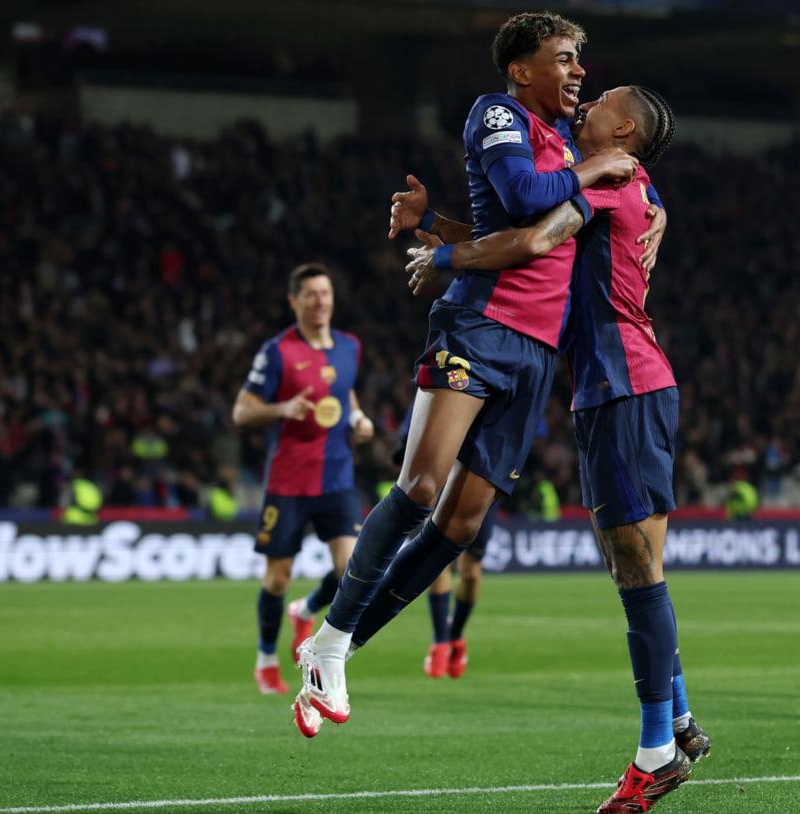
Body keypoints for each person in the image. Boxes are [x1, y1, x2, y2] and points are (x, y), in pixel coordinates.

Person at [290, 11, 642, 737]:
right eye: (565, 58)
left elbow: (517, 236)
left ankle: (333, 646)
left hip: (537, 353)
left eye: (579, 60)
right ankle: (329, 644)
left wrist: (436, 227)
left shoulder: (567, 142)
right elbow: (523, 198)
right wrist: (593, 170)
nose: (579, 71)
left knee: (460, 523)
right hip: (478, 327)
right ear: (521, 69)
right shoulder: (498, 114)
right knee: (421, 487)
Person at [403, 85, 707, 814]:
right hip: (616, 387)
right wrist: (434, 223)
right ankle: (678, 720)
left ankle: (656, 753)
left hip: (624, 385)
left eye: (602, 101)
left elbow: (532, 241)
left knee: (637, 566)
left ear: (623, 129)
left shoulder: (605, 183)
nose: (587, 100)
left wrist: (442, 252)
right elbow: (527, 240)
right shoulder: (621, 179)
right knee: (632, 565)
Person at [234, 262, 373, 694]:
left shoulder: (349, 346)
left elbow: (345, 392)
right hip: (289, 481)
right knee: (278, 577)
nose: (319, 302)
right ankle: (265, 659)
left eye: (325, 293)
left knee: (351, 570)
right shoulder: (277, 352)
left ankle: (307, 609)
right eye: (310, 294)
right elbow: (242, 411)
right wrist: (282, 409)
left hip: (337, 477)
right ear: (294, 301)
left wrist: (357, 417)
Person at [424, 502, 497, 678]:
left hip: (485, 492)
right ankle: (440, 642)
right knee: (437, 561)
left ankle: (455, 636)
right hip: (443, 491)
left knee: (471, 574)